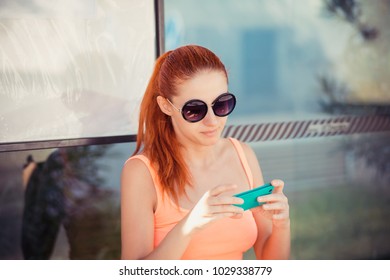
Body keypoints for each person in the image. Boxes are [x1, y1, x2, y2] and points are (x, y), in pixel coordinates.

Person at [121, 45, 290, 260]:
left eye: (221, 104)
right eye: (195, 110)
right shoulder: (141, 172)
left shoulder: (242, 155)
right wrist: (189, 226)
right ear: (165, 106)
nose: (212, 121)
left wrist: (281, 224)